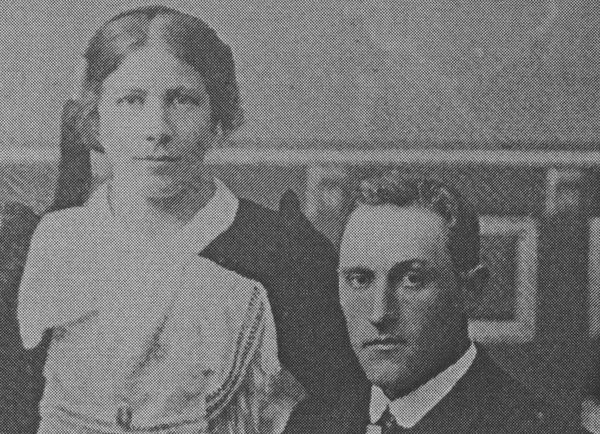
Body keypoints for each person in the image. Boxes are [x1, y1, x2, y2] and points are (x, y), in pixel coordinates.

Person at [15, 6, 366, 433]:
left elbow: (345, 405)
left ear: (218, 118)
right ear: (96, 119)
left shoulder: (286, 253)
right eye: (131, 101)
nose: (158, 129)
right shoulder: (53, 246)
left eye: (182, 100)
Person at [337, 172, 575, 433]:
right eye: (359, 279)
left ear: (471, 290)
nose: (379, 313)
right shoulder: (316, 420)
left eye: (412, 279)